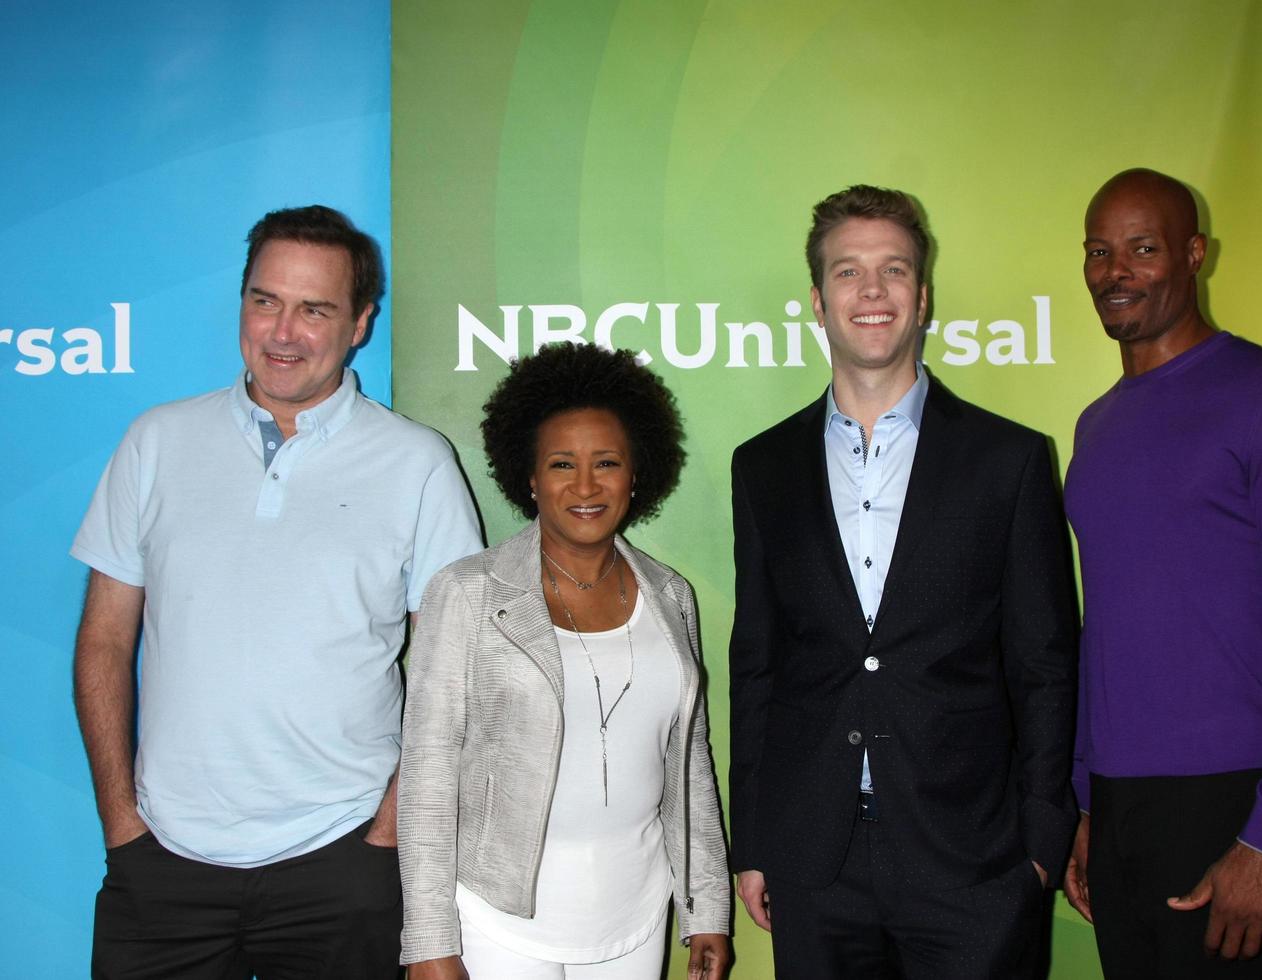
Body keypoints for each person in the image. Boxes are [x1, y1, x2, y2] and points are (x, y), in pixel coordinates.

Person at [70, 205, 483, 978]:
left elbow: (452, 669)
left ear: (361, 322)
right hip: (162, 865)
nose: (283, 333)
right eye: (265, 300)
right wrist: (122, 824)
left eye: (315, 309)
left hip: (343, 861)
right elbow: (103, 639)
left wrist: (388, 835)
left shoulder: (418, 463)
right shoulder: (156, 441)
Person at [727, 185, 1079, 978]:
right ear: (817, 302)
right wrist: (754, 840)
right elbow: (757, 664)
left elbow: (1045, 663)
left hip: (974, 860)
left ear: (923, 296)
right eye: (848, 272)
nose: (873, 290)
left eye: (894, 270)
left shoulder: (1010, 460)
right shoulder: (764, 466)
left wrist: (1039, 846)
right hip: (816, 860)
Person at [1062, 168, 1262, 978]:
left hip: (1235, 802)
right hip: (1121, 806)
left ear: (1195, 254)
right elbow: (1107, 624)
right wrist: (1087, 800)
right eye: (1098, 251)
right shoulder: (1096, 427)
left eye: (1142, 248)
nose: (1114, 271)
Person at [398, 342, 731, 980]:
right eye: (561, 463)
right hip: (498, 924)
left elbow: (688, 768)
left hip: (636, 918)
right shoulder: (467, 593)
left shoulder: (670, 597)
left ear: (637, 474)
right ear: (528, 476)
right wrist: (429, 940)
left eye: (606, 462)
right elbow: (428, 782)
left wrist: (706, 905)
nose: (585, 486)